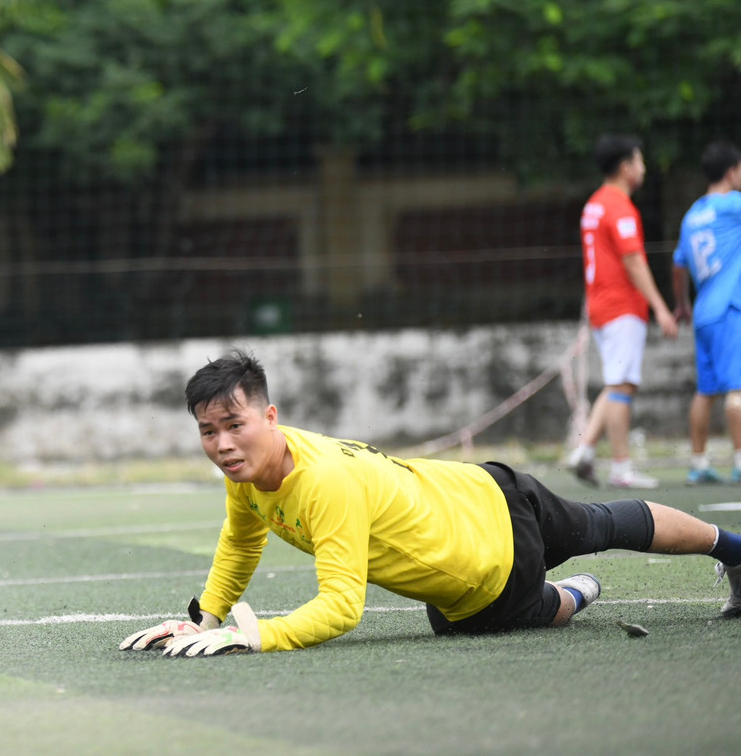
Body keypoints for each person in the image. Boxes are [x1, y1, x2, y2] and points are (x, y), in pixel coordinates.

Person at [119, 350, 741, 657]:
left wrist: (258, 637)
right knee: (601, 521)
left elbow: (341, 608)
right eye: (208, 432)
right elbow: (241, 539)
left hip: (488, 577)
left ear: (270, 416)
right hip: (485, 486)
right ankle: (730, 548)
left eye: (234, 424)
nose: (223, 445)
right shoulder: (247, 472)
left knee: (465, 621)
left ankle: (577, 591)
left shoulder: (323, 482)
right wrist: (205, 618)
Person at [566, 133, 678, 489]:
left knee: (617, 381)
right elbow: (633, 261)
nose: (643, 168)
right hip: (621, 307)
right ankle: (621, 466)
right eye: (640, 161)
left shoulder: (594, 204)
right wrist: (660, 307)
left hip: (600, 306)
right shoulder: (618, 207)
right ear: (626, 167)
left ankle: (584, 451)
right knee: (623, 386)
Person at [671, 140, 741, 485]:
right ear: (732, 172)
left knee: (705, 391)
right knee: (737, 389)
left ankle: (698, 462)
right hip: (730, 308)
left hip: (702, 312)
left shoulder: (692, 215)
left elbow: (678, 265)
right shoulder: (734, 205)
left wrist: (682, 302)